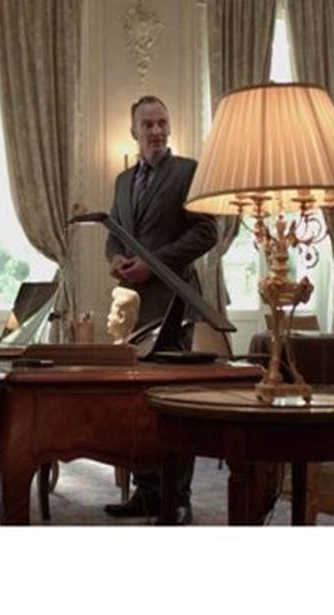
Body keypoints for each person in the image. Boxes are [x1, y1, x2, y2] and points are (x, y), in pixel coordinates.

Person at [103, 95, 218, 524]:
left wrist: (152, 264)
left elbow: (208, 233)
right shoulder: (122, 181)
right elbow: (114, 234)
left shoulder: (189, 172)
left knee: (176, 401)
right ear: (133, 131)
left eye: (162, 123)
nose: (156, 131)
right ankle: (146, 492)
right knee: (138, 401)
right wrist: (115, 258)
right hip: (133, 308)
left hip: (174, 305)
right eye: (148, 124)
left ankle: (178, 498)